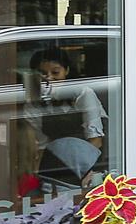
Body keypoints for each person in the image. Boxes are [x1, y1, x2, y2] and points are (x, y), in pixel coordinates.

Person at [28, 46, 107, 183]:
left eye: (55, 73)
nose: (49, 78)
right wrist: (38, 177)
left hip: (90, 161)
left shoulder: (82, 93)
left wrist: (79, 173)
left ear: (67, 71)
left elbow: (96, 140)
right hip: (56, 165)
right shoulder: (34, 103)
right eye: (42, 73)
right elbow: (42, 146)